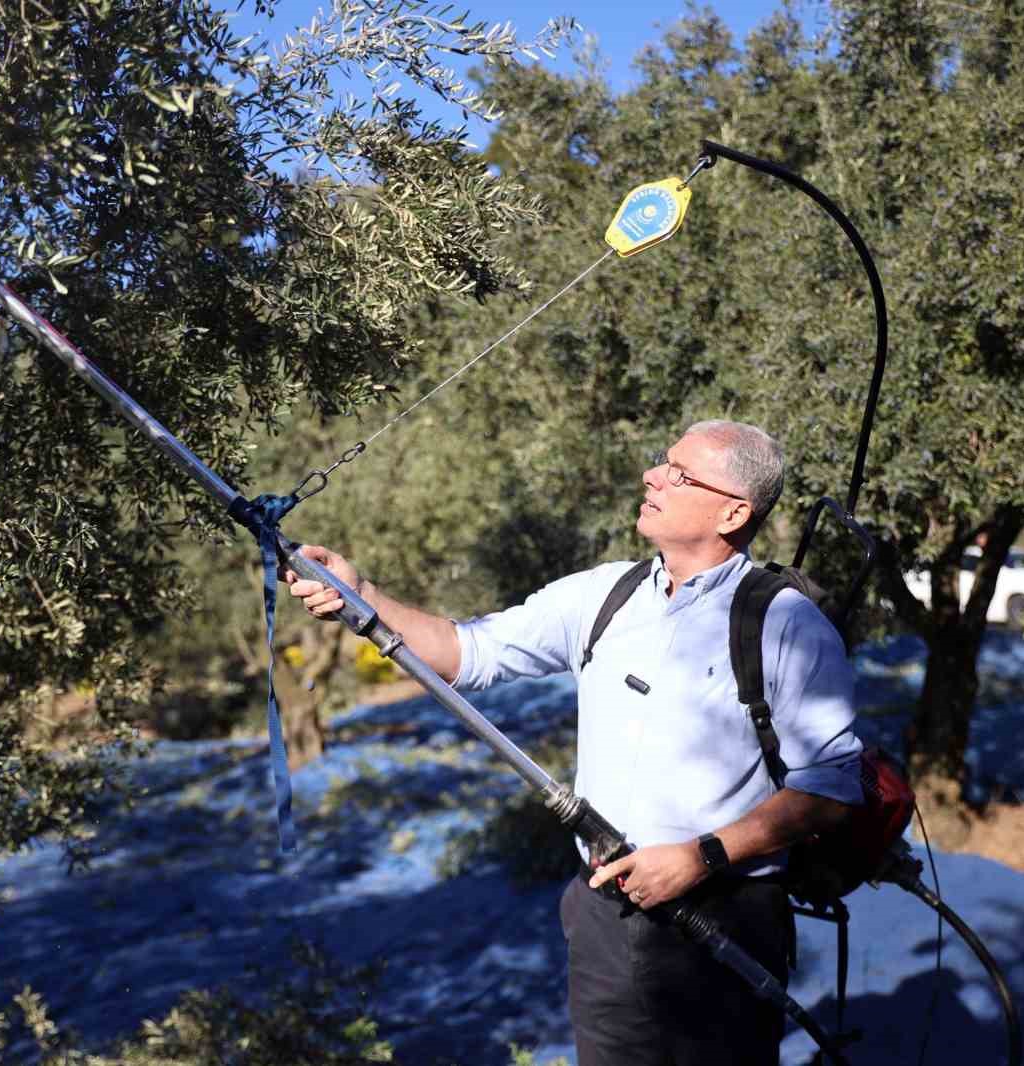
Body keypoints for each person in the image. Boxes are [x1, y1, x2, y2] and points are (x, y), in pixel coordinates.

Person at [286, 419, 863, 1066]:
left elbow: (830, 790)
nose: (653, 477)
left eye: (681, 474)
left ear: (733, 511)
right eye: (661, 462)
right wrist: (360, 595)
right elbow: (464, 652)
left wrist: (698, 858)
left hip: (724, 915)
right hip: (603, 913)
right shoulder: (606, 595)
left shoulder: (785, 622)